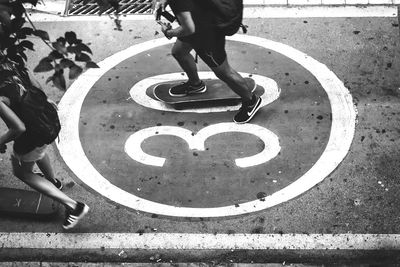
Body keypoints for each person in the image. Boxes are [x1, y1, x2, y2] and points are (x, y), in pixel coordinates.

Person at [0, 57, 89, 230]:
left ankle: (74, 206)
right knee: (39, 151)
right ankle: (53, 183)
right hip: (48, 120)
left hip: (32, 134)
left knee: (22, 173)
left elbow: (18, 128)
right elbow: (37, 88)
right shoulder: (12, 62)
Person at [154, 0, 262, 124]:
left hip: (207, 32)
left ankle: (250, 101)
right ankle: (195, 85)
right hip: (197, 20)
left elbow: (188, 28)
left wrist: (169, 32)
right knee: (179, 52)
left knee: (223, 72)